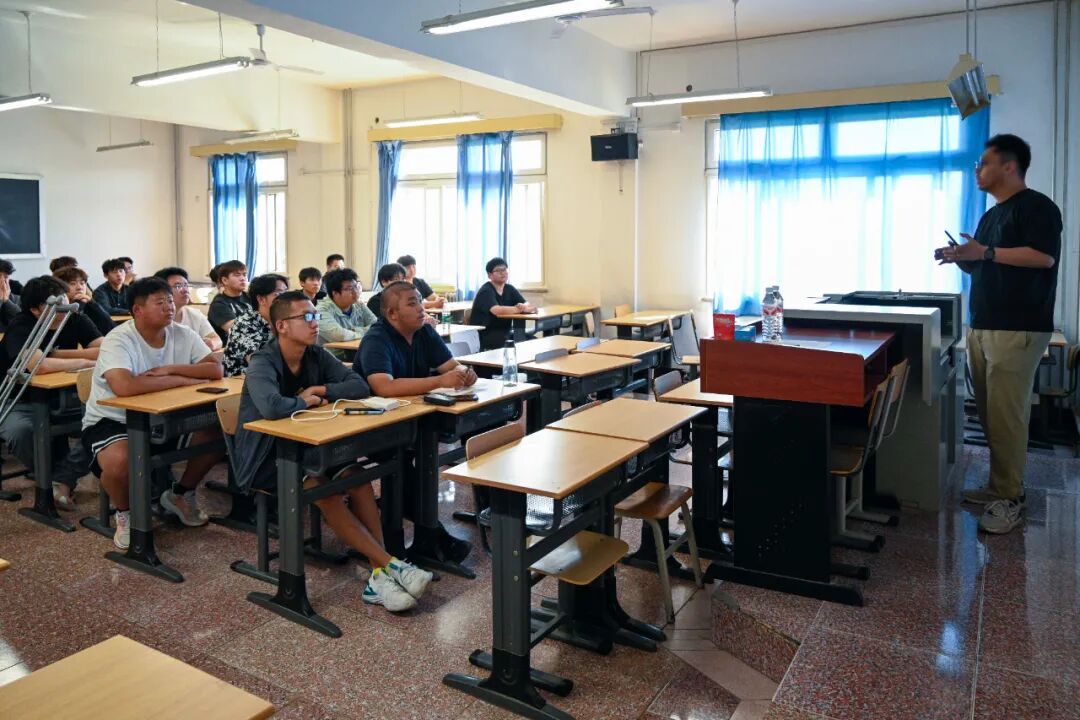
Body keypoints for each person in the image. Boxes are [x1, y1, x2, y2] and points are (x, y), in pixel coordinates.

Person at [234, 291, 432, 611]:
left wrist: (322, 390)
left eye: (315, 315)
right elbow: (271, 407)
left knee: (357, 477)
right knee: (324, 490)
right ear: (282, 326)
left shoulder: (315, 354)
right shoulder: (263, 362)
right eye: (307, 317)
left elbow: (359, 385)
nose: (315, 323)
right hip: (266, 458)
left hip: (309, 447)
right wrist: (304, 401)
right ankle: (392, 565)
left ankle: (379, 574)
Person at [936, 134, 1061, 535]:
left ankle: (1010, 498)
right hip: (983, 324)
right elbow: (985, 264)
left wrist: (986, 253)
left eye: (984, 163)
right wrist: (963, 258)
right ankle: (998, 486)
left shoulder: (1037, 207)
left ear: (1009, 166)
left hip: (1017, 327)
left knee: (1008, 417)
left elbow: (1043, 258)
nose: (977, 170)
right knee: (990, 414)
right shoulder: (991, 216)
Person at [81, 277, 225, 550]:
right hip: (114, 421)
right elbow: (124, 386)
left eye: (170, 300)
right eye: (160, 302)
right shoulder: (119, 339)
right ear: (138, 310)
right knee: (119, 463)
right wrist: (182, 380)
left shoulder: (182, 333)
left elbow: (215, 369)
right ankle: (125, 513)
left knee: (216, 434)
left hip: (166, 417)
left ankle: (180, 494)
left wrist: (169, 370)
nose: (169, 307)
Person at [355, 281, 477, 560]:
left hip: (414, 420)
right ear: (392, 313)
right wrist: (440, 381)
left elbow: (450, 366)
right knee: (404, 468)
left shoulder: (424, 331)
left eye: (420, 301)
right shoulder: (377, 339)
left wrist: (464, 372)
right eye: (412, 303)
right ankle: (419, 537)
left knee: (425, 464)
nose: (421, 308)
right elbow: (383, 386)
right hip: (376, 427)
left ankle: (430, 535)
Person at [0, 275, 103, 510]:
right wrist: (84, 361)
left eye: (66, 302)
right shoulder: (22, 324)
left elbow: (103, 348)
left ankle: (61, 478)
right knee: (20, 431)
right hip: (19, 400)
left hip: (64, 398)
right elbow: (38, 366)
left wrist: (55, 354)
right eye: (57, 306)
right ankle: (49, 477)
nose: (65, 309)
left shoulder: (74, 317)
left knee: (103, 425)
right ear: (35, 309)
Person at [222, 273, 287, 376]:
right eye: (278, 293)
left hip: (275, 376)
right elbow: (259, 362)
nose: (286, 298)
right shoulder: (244, 324)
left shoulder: (285, 320)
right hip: (244, 380)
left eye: (286, 292)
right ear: (261, 299)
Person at [469, 257, 535, 350]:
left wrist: (524, 306)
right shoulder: (486, 290)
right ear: (489, 275)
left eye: (504, 269)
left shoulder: (509, 288)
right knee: (520, 344)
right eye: (498, 270)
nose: (503, 273)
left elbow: (526, 303)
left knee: (533, 341)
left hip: (505, 332)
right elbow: (496, 310)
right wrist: (518, 309)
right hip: (486, 334)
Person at [153, 267, 221, 351]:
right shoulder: (154, 319)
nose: (185, 290)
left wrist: (210, 344)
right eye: (178, 286)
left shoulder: (195, 314)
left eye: (186, 285)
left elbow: (217, 340)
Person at [315, 268, 377, 349]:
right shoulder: (321, 311)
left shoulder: (359, 304)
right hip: (333, 354)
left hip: (358, 350)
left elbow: (377, 326)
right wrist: (364, 331)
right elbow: (339, 335)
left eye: (356, 286)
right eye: (350, 289)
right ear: (335, 293)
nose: (355, 292)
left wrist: (355, 330)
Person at [53, 265, 115, 337]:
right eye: (72, 283)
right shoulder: (56, 308)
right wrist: (79, 305)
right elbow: (70, 331)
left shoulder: (88, 304)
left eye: (82, 283)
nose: (79, 287)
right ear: (60, 287)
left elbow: (111, 327)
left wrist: (92, 303)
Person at [207, 260, 252, 343]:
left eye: (244, 275)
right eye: (237, 275)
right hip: (232, 347)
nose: (243, 278)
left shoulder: (250, 297)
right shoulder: (219, 304)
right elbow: (238, 331)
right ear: (224, 280)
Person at [0, 258, 22, 330]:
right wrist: (1, 300)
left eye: (6, 277)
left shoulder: (16, 287)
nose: (2, 280)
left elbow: (21, 316)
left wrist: (6, 300)